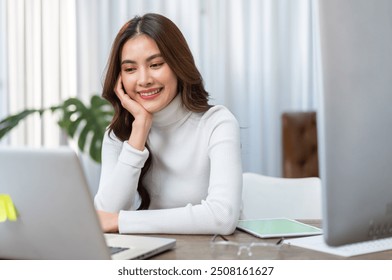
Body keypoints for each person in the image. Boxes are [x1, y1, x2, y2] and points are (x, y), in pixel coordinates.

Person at [94, 13, 242, 235]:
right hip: (146, 257)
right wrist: (139, 132)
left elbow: (222, 217)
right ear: (120, 79)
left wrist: (125, 222)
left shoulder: (217, 123)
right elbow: (105, 215)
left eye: (155, 64)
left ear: (177, 64)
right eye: (130, 69)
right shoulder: (117, 135)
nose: (144, 80)